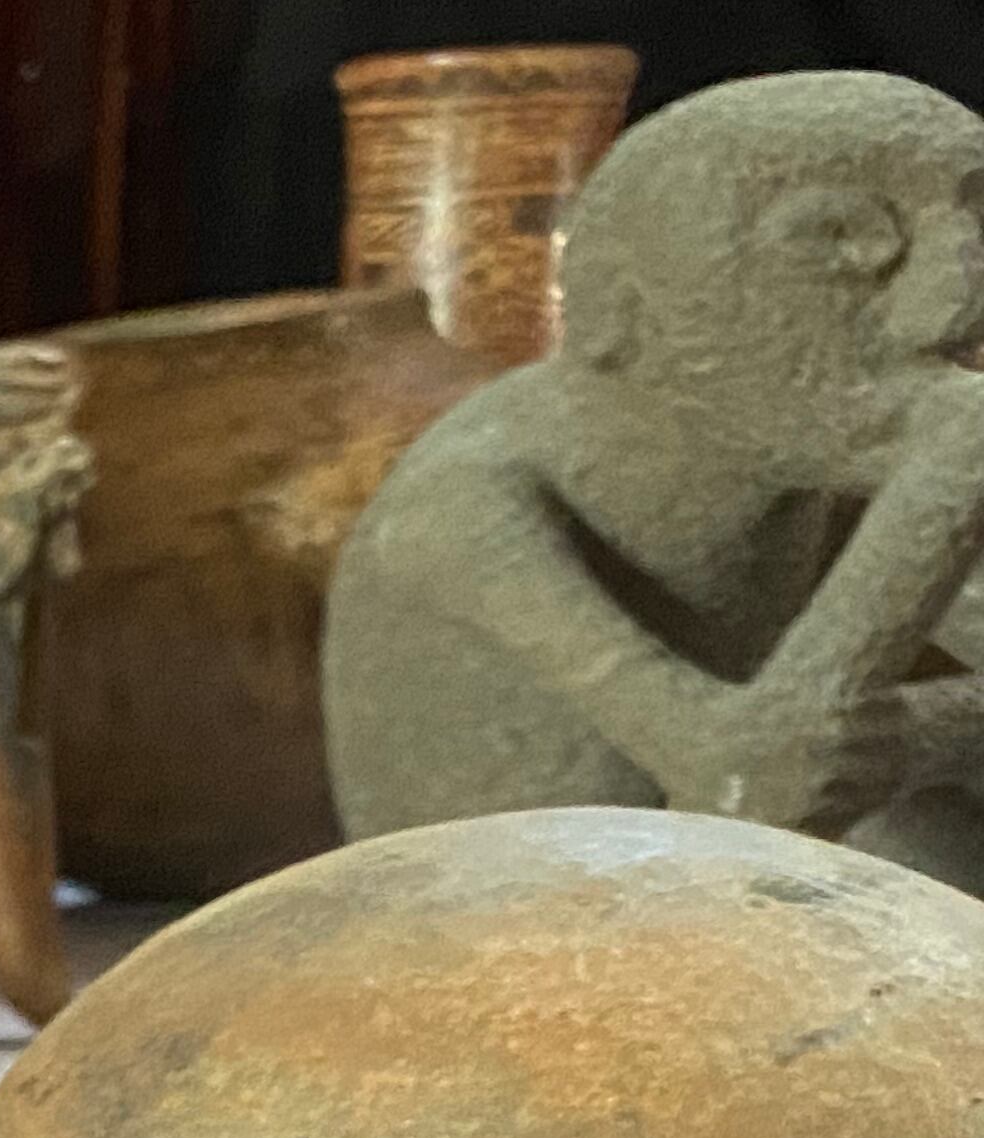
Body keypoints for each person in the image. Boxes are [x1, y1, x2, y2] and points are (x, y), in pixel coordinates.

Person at [322, 69, 984, 882]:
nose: (955, 301)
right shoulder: (472, 505)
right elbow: (749, 783)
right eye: (844, 239)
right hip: (526, 919)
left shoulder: (823, 463)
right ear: (618, 302)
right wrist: (947, 475)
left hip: (712, 879)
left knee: (946, 849)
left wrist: (912, 738)